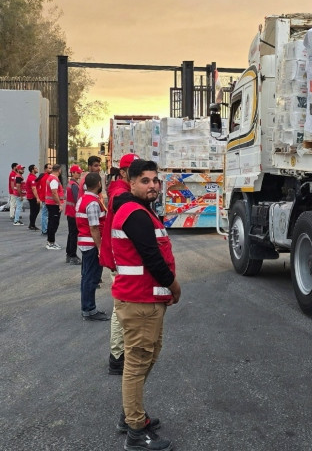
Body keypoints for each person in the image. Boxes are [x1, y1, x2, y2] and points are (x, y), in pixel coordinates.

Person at [111, 159, 179, 450]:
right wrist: (174, 287)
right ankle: (136, 432)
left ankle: (131, 415)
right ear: (131, 182)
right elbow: (153, 258)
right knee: (137, 365)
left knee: (146, 359)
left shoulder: (136, 210)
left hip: (144, 298)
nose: (152, 186)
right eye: (145, 181)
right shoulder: (136, 214)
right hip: (140, 300)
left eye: (155, 180)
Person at [100, 153, 139, 375]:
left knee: (124, 306)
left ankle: (122, 352)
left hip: (122, 259)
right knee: (120, 308)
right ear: (123, 172)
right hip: (118, 260)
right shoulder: (120, 190)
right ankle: (117, 357)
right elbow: (118, 199)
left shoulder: (126, 189)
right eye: (132, 169)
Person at [77, 171, 109, 320]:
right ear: (98, 184)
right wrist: (101, 248)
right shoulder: (93, 203)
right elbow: (94, 228)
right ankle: (89, 310)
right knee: (91, 277)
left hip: (84, 243)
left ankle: (87, 307)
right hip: (91, 244)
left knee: (86, 277)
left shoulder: (83, 199)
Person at [64, 165, 83, 265]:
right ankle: (72, 255)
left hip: (70, 212)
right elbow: (78, 199)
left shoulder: (71, 183)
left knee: (71, 234)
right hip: (73, 213)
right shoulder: (74, 185)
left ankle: (69, 254)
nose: (79, 174)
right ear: (73, 173)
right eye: (78, 172)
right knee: (74, 235)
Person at [44, 164, 65, 251]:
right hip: (53, 204)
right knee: (53, 223)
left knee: (51, 223)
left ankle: (51, 241)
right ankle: (51, 242)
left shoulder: (50, 177)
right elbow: (54, 193)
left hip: (51, 203)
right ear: (59, 170)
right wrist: (59, 204)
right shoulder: (54, 179)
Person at [25, 164, 40, 230]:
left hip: (32, 196)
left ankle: (32, 224)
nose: (37, 169)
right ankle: (32, 225)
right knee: (34, 210)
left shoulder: (33, 177)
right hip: (32, 197)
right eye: (35, 168)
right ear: (32, 170)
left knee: (35, 210)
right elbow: (34, 188)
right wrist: (37, 198)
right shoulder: (32, 178)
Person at [39, 163, 52, 235]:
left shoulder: (43, 176)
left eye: (51, 168)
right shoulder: (47, 177)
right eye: (49, 168)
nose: (51, 169)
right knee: (45, 214)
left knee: (45, 214)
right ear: (45, 169)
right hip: (46, 198)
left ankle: (45, 229)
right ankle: (44, 229)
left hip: (44, 198)